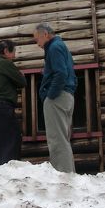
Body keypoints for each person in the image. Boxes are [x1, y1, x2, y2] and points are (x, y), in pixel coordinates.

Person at [34, 23, 77, 173]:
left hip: (57, 98)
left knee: (57, 140)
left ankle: (63, 176)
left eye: (37, 39)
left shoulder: (54, 47)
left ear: (45, 34)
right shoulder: (61, 46)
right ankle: (68, 174)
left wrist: (50, 95)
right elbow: (69, 72)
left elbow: (61, 74)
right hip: (66, 95)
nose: (37, 44)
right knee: (63, 138)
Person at [0, 40, 26, 166]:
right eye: (13, 52)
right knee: (10, 142)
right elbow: (22, 82)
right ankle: (9, 174)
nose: (14, 56)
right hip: (3, 107)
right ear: (6, 51)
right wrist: (21, 75)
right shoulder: (5, 63)